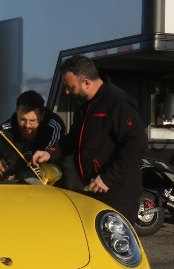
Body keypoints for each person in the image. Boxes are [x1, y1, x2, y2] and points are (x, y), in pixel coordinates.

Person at [31, 55, 147, 220]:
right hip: (94, 189)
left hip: (118, 194)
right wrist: (50, 153)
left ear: (86, 82)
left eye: (70, 87)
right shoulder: (85, 105)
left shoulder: (118, 102)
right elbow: (73, 138)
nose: (67, 91)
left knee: (116, 243)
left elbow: (137, 145)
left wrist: (107, 178)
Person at [0, 90, 65, 176]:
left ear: (42, 116)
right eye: (22, 119)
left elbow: (54, 155)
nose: (27, 125)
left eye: (32, 121)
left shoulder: (54, 126)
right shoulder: (6, 129)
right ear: (17, 112)